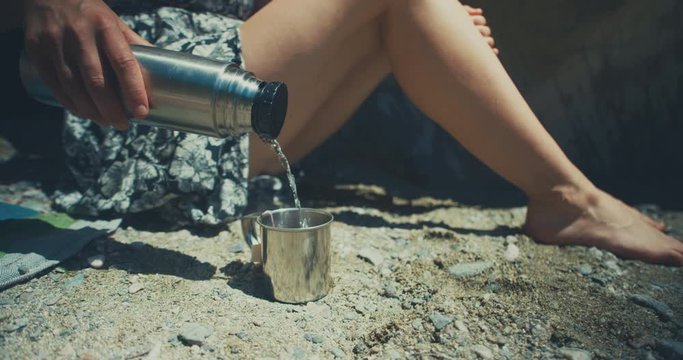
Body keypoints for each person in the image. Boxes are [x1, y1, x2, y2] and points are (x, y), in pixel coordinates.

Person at [8, 0, 683, 265]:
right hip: (119, 91)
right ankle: (570, 199)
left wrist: (437, 16)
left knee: (407, 7)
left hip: (222, 94)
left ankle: (567, 199)